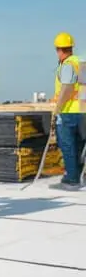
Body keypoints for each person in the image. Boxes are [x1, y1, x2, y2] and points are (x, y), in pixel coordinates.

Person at [50, 32, 84, 188]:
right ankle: (79, 174)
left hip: (69, 111)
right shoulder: (80, 63)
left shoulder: (68, 65)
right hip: (82, 110)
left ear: (59, 49)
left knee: (67, 145)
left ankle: (72, 178)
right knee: (78, 144)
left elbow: (67, 88)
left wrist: (57, 109)